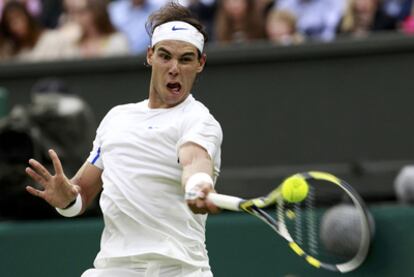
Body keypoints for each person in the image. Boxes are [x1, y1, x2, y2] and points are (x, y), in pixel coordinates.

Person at [25, 2, 222, 277]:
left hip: (178, 271)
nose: (174, 68)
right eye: (165, 56)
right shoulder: (117, 118)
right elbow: (81, 193)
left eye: (186, 59)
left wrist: (198, 184)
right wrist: (66, 198)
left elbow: (195, 160)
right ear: (150, 55)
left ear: (200, 64)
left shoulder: (199, 120)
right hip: (114, 269)